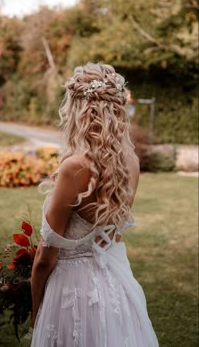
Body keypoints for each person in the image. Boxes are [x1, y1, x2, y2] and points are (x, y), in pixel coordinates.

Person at [30, 63, 159, 347]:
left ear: (78, 110)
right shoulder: (131, 163)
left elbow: (46, 258)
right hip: (117, 287)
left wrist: (35, 309)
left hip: (72, 291)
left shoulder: (74, 168)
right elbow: (111, 233)